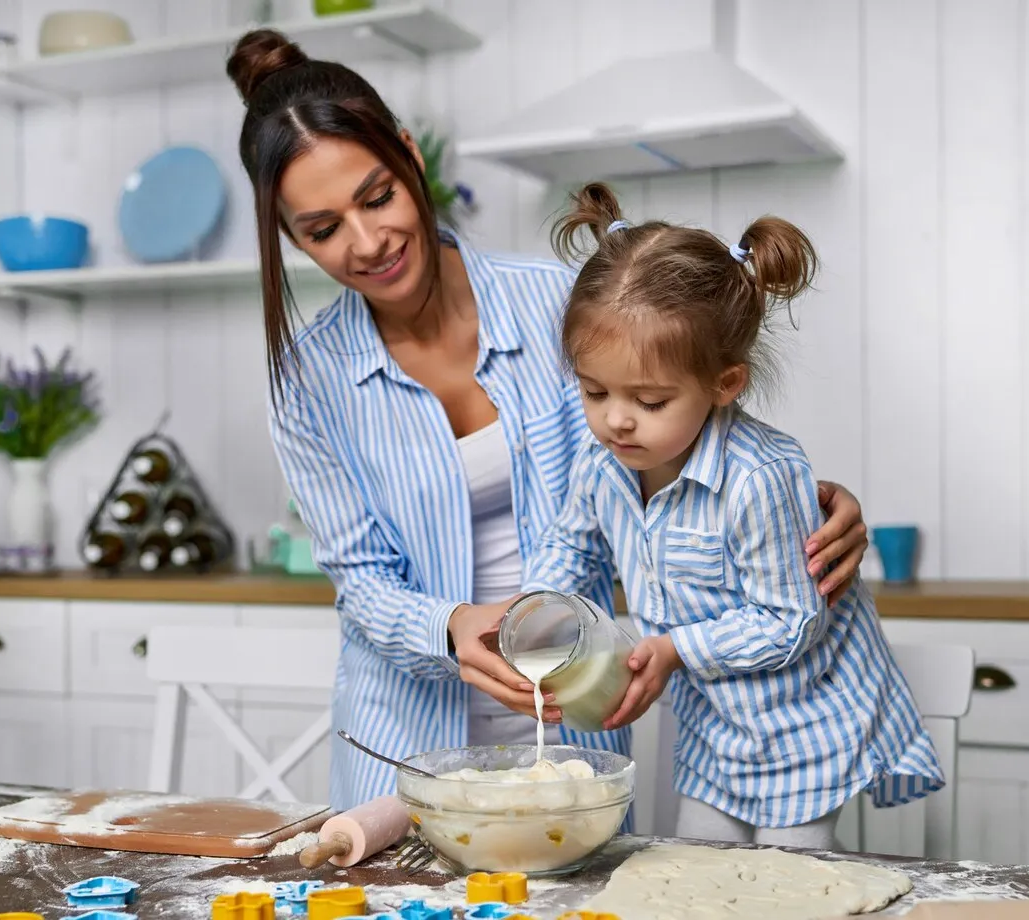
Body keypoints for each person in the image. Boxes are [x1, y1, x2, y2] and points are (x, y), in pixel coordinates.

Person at [226, 30, 873, 812]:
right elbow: (359, 581)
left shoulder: (558, 303)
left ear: (410, 157)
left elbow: (686, 431)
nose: (369, 243)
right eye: (322, 230)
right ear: (288, 236)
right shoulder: (307, 378)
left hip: (576, 734)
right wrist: (452, 626)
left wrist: (799, 499)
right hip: (400, 752)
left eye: (377, 197)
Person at [520, 183, 943, 850]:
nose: (615, 419)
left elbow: (791, 620)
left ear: (724, 384)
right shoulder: (602, 465)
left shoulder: (761, 476)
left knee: (790, 888)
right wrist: (540, 608)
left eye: (650, 400)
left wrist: (676, 648)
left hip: (805, 726)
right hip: (717, 730)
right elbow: (572, 549)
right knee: (696, 872)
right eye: (594, 390)